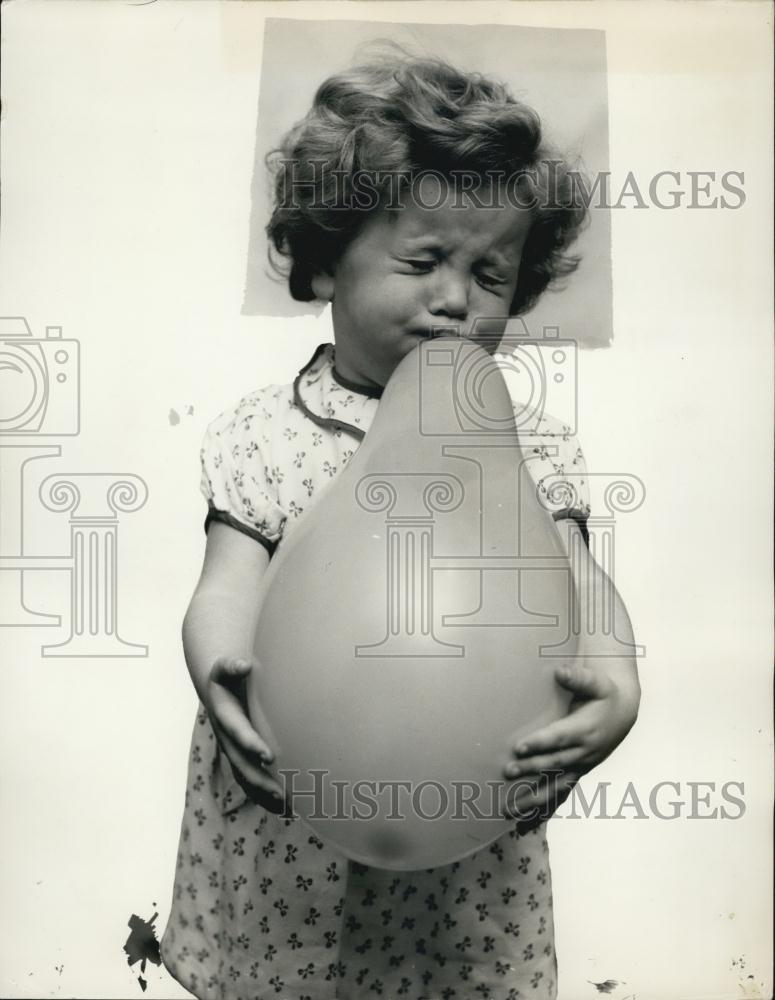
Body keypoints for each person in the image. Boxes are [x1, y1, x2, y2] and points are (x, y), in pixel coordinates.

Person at [160, 52, 640, 1000]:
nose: (455, 299)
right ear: (326, 258)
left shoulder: (534, 449)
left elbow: (579, 583)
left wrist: (617, 684)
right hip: (290, 808)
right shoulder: (265, 436)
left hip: (463, 830)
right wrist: (219, 672)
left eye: (490, 274)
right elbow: (224, 586)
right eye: (420, 262)